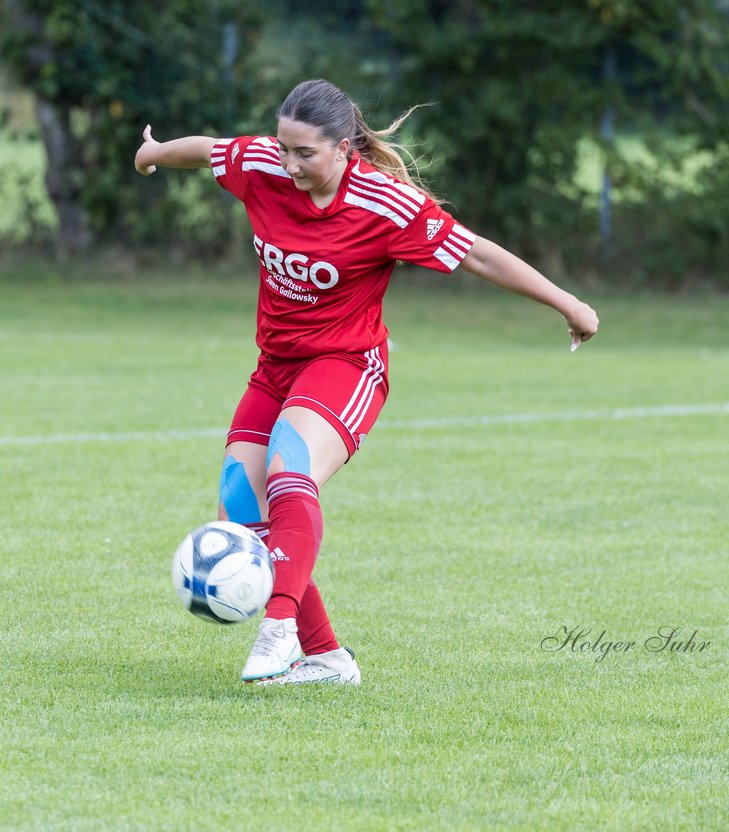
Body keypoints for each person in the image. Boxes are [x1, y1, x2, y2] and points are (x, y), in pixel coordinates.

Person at [135, 79, 598, 686]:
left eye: (306, 154)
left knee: (288, 470)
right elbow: (207, 150)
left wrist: (568, 303)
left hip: (347, 367)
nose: (289, 164)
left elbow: (479, 255)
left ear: (345, 146)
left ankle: (277, 629)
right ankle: (326, 659)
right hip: (275, 368)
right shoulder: (262, 165)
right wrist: (153, 152)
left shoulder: (385, 204)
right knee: (240, 509)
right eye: (283, 149)